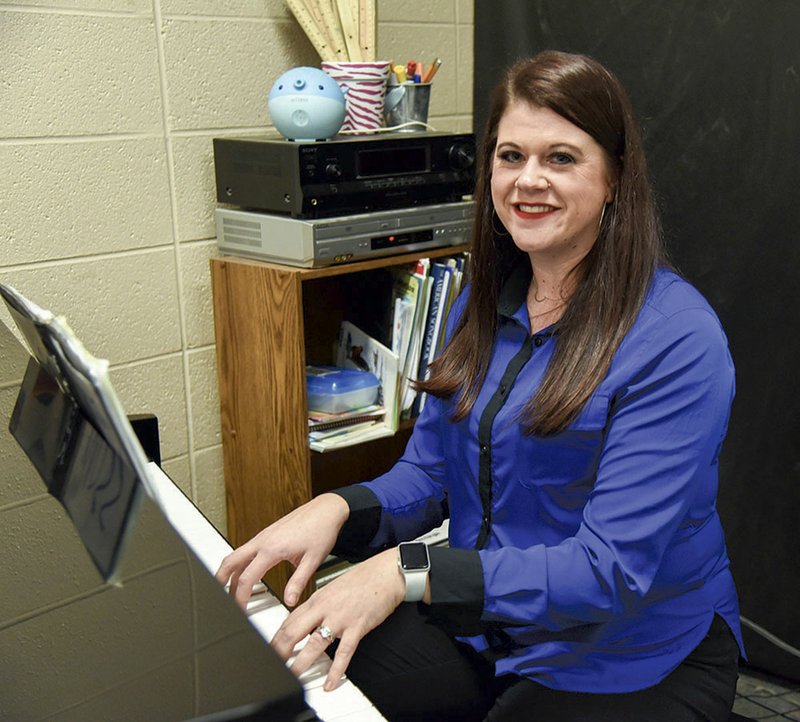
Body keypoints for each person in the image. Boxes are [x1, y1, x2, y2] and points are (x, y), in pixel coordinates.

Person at [216, 50, 745, 721]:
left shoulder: (677, 339)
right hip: (485, 625)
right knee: (305, 696)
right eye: (509, 156)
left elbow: (607, 571)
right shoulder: (482, 301)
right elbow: (432, 473)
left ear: (614, 177)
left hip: (632, 651)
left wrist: (408, 572)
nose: (528, 180)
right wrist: (338, 510)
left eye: (561, 158)